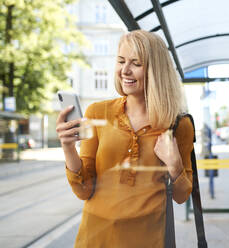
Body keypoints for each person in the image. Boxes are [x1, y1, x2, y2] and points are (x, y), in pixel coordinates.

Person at [56, 30, 194, 248]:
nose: (125, 71)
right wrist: (68, 147)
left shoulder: (178, 124)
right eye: (121, 61)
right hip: (95, 239)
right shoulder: (97, 113)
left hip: (149, 240)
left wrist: (175, 165)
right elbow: (83, 190)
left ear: (155, 70)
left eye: (136, 63)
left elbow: (181, 196)